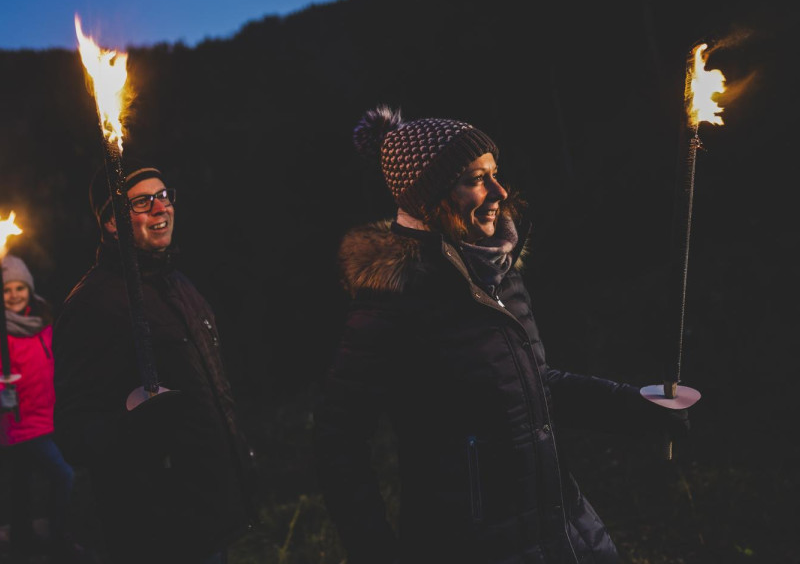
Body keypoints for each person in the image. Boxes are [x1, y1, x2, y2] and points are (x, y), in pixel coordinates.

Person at [313, 105, 692, 564]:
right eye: (476, 178)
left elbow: (536, 383)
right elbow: (339, 440)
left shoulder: (498, 273)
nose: (499, 191)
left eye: (495, 173)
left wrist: (637, 405)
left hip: (564, 528)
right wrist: (374, 550)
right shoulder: (391, 301)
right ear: (428, 197)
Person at [52, 160, 259, 564]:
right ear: (112, 222)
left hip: (209, 509)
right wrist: (133, 425)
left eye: (163, 196)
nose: (160, 208)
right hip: (156, 527)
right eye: (142, 202)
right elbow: (75, 433)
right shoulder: (92, 305)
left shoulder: (179, 286)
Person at [0, 253, 86, 563]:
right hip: (20, 424)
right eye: (6, 290)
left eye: (19, 288)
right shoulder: (1, 332)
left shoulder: (42, 322)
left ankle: (23, 536)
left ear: (29, 289)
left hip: (49, 416)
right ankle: (58, 538)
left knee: (21, 482)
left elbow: (56, 362)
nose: (13, 295)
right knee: (63, 475)